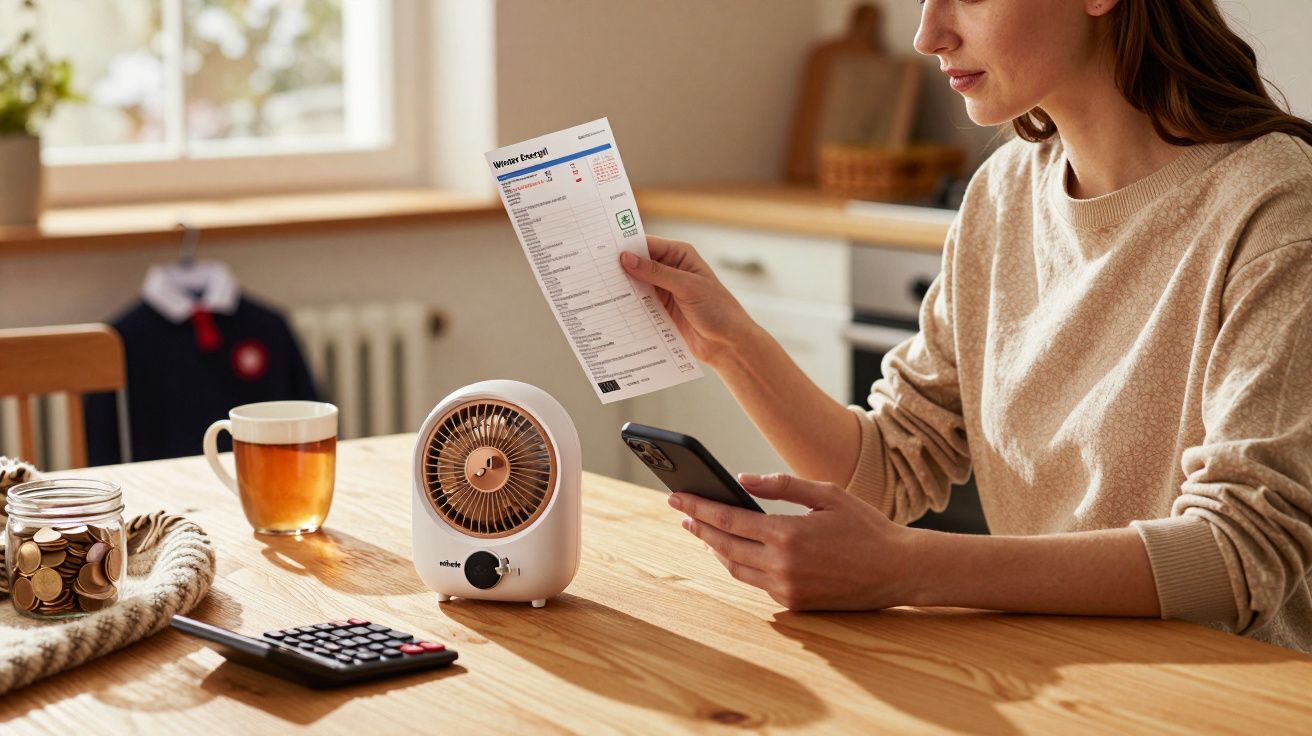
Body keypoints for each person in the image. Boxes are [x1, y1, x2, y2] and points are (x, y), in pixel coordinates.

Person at [618, 0, 1312, 652]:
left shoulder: (1276, 208)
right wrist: (732, 345)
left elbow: (1239, 553)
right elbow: (887, 468)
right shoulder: (1004, 192)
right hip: (1047, 674)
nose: (927, 35)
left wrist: (909, 568)